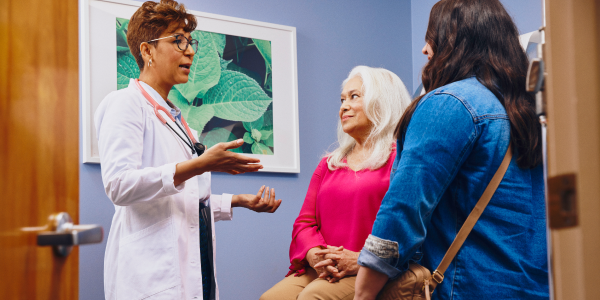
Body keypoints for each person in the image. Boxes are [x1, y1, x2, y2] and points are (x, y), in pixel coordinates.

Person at [354, 0, 549, 299]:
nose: (424, 49)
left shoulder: (450, 102)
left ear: (454, 38)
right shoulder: (525, 110)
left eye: (432, 35)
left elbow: (404, 209)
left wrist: (364, 292)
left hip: (465, 286)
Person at [94, 1, 281, 299]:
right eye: (177, 40)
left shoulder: (179, 122)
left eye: (189, 41)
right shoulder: (125, 104)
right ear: (147, 51)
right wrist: (200, 165)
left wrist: (239, 201)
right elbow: (119, 186)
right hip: (151, 275)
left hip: (197, 266)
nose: (190, 50)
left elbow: (185, 199)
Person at [260, 66, 411, 300]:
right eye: (342, 99)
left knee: (313, 297)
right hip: (324, 268)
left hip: (373, 269)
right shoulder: (329, 164)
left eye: (354, 97)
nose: (344, 106)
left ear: (382, 102)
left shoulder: (400, 160)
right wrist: (314, 254)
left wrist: (361, 259)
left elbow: (405, 227)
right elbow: (304, 223)